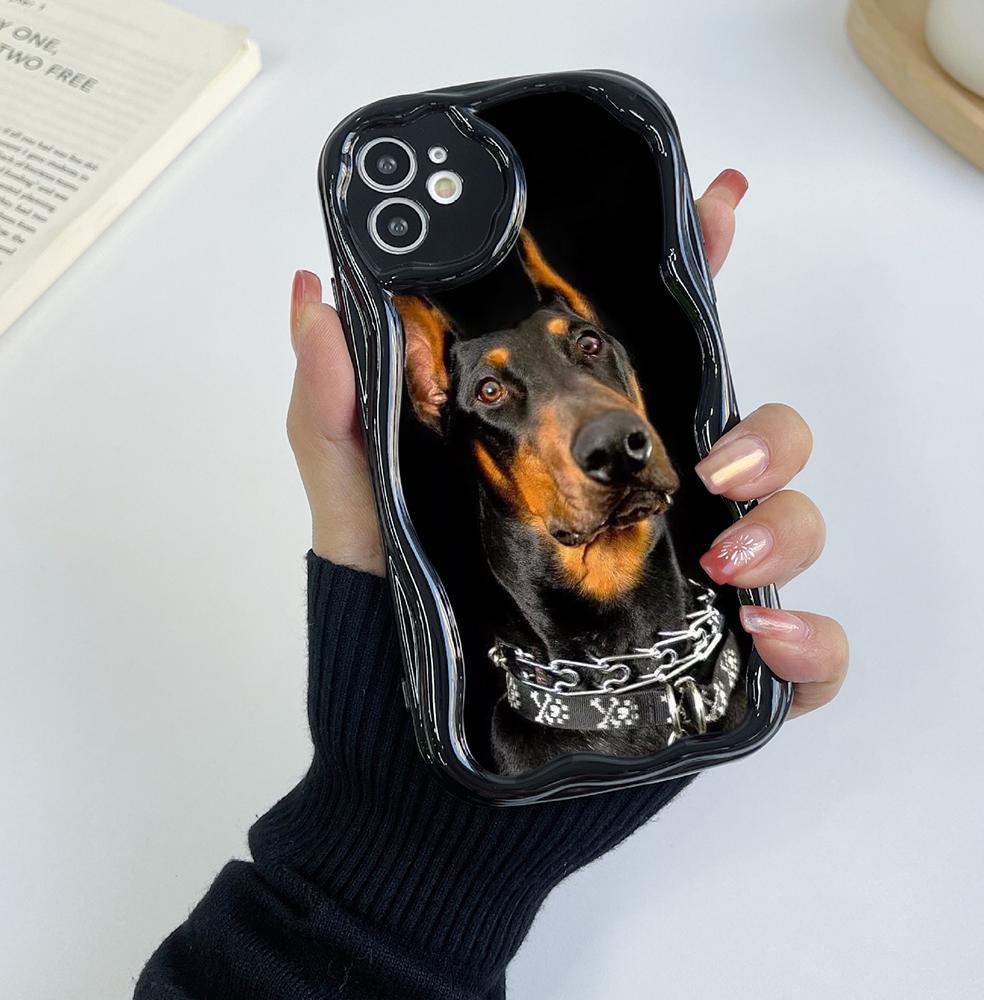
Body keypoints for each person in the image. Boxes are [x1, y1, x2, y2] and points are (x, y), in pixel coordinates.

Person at [134, 169, 848, 1000]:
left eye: (588, 349)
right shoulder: (477, 726)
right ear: (439, 406)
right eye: (495, 392)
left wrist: (398, 895)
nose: (599, 426)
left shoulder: (717, 668)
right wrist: (428, 859)